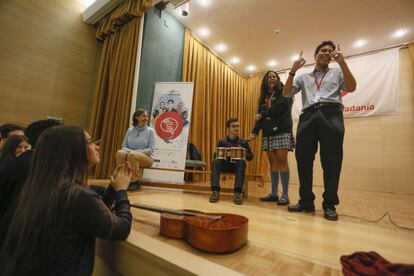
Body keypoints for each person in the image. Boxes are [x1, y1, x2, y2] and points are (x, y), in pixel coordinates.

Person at [0, 125, 132, 275]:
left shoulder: (41, 189)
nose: (96, 147)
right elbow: (120, 229)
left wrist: (113, 189)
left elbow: (88, 216)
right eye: (89, 142)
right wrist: (122, 192)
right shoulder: (75, 196)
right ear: (72, 152)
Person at [282, 41, 357, 221]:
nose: (327, 53)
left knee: (332, 161)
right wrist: (292, 70)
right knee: (303, 160)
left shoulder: (337, 72)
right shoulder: (303, 77)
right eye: (323, 50)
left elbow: (352, 87)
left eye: (330, 51)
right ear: (315, 55)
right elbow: (286, 93)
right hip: (308, 116)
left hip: (331, 114)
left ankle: (329, 204)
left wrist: (342, 62)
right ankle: (306, 201)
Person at [250, 71, 295, 205]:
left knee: (282, 161)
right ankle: (274, 193)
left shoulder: (284, 91)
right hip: (268, 132)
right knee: (273, 163)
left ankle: (285, 195)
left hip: (282, 130)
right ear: (266, 80)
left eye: (274, 76)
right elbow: (259, 117)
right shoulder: (263, 97)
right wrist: (254, 132)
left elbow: (280, 107)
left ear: (278, 79)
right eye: (269, 77)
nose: (272, 78)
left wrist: (262, 114)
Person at [209, 118, 253, 205]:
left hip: (237, 167)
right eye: (233, 126)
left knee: (241, 162)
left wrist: (243, 154)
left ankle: (237, 193)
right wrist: (225, 153)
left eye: (238, 126)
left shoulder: (243, 142)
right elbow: (215, 155)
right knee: (215, 162)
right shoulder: (222, 141)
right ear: (228, 129)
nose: (236, 128)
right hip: (225, 165)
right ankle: (215, 191)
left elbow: (250, 156)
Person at [116, 109, 155, 190]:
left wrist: (133, 152)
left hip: (146, 158)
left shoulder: (150, 131)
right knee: (119, 153)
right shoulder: (130, 130)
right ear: (136, 118)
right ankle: (121, 178)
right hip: (130, 154)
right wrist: (130, 152)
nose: (146, 118)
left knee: (132, 155)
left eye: (147, 116)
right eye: (144, 116)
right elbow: (123, 146)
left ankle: (134, 182)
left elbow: (150, 150)